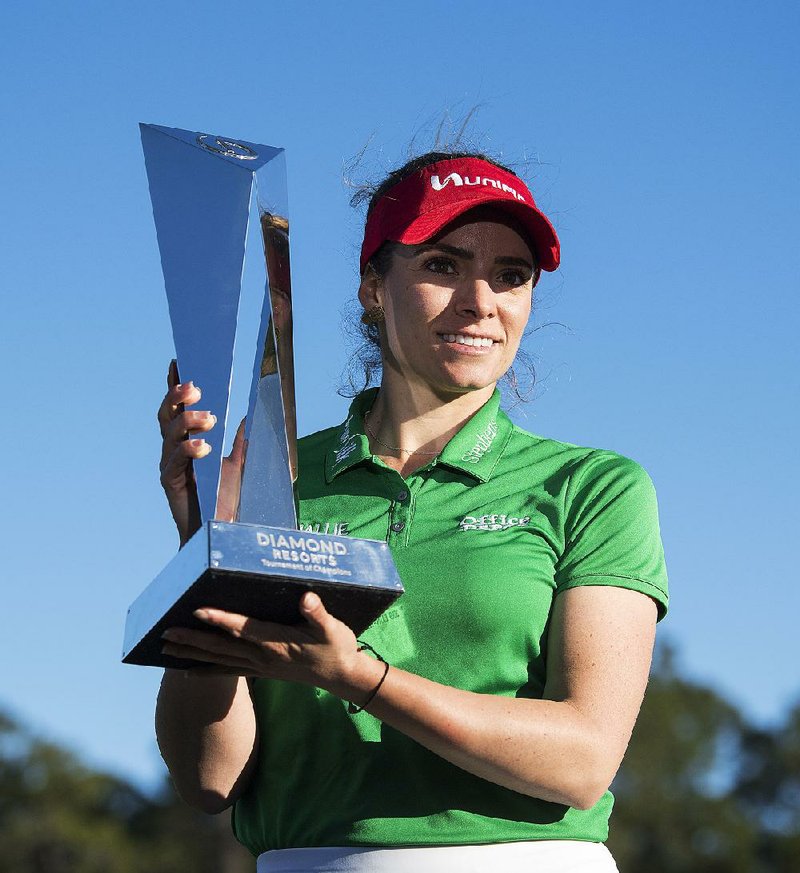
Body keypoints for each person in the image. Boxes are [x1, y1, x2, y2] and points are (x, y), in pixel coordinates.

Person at [155, 150, 668, 873]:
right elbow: (210, 779)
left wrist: (357, 676)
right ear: (372, 285)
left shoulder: (592, 485)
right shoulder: (273, 477)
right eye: (443, 265)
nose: (480, 300)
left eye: (511, 276)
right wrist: (205, 549)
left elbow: (582, 759)